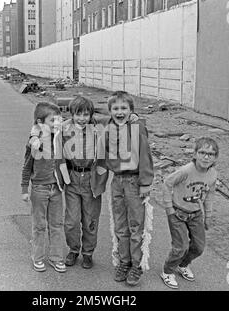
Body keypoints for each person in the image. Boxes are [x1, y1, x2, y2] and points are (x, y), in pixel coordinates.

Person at [96, 91, 154, 286]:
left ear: (131, 111)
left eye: (124, 108)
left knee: (136, 226)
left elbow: (145, 155)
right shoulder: (107, 127)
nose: (119, 112)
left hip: (134, 181)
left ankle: (137, 265)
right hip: (117, 181)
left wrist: (146, 182)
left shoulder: (137, 127)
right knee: (120, 226)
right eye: (115, 108)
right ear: (110, 111)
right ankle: (124, 261)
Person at [160, 137, 219, 289]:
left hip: (196, 214)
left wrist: (208, 215)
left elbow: (210, 194)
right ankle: (167, 271)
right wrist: (169, 209)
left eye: (211, 154)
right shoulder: (186, 171)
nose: (206, 157)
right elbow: (167, 183)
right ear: (194, 154)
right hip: (178, 213)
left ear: (215, 157)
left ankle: (182, 264)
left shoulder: (212, 174)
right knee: (181, 247)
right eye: (202, 152)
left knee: (199, 247)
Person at [21, 102, 69, 273]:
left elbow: (78, 124)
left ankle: (56, 257)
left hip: (57, 189)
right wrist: (24, 189)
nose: (57, 123)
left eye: (58, 120)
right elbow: (27, 166)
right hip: (39, 189)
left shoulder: (59, 137)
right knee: (39, 225)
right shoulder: (33, 143)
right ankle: (38, 256)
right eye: (52, 120)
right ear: (40, 122)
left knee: (57, 224)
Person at [62, 96, 109, 269]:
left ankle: (88, 253)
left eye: (86, 114)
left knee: (90, 220)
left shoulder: (98, 127)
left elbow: (117, 118)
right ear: (72, 114)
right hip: (73, 178)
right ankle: (73, 250)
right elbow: (43, 128)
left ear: (91, 114)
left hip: (92, 179)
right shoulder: (64, 128)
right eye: (78, 114)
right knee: (72, 220)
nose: (82, 118)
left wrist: (133, 117)